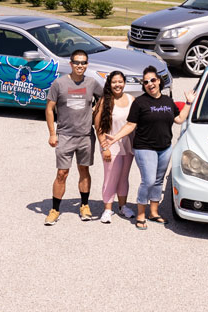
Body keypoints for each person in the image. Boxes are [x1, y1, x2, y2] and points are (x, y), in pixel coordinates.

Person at [109, 66, 195, 230]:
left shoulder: (167, 101)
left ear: (159, 81)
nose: (150, 84)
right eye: (146, 82)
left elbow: (179, 119)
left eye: (153, 80)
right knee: (148, 181)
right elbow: (130, 125)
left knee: (158, 181)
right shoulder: (140, 102)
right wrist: (116, 137)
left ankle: (153, 212)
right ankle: (141, 214)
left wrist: (189, 102)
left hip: (165, 147)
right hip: (144, 147)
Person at [45, 49, 103, 225]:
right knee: (62, 173)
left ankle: (84, 206)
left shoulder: (92, 83)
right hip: (65, 136)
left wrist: (96, 110)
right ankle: (55, 209)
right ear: (71, 64)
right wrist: (52, 134)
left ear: (87, 64)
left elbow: (104, 97)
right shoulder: (59, 84)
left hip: (85, 136)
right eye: (77, 62)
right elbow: (49, 109)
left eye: (83, 62)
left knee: (84, 170)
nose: (80, 66)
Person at [94, 70, 136, 224]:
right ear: (109, 84)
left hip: (128, 145)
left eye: (120, 82)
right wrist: (104, 148)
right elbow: (98, 127)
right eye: (114, 82)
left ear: (124, 82)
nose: (117, 85)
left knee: (124, 177)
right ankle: (107, 208)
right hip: (110, 146)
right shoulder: (104, 101)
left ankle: (123, 206)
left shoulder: (131, 99)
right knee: (111, 177)